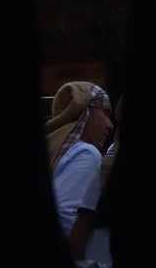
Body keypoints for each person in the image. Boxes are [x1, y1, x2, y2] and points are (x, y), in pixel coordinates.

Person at [43, 81, 114, 239]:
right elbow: (66, 218)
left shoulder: (57, 150)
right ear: (86, 113)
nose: (110, 125)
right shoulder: (85, 153)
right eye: (105, 113)